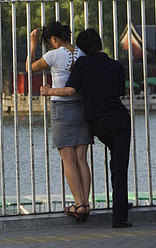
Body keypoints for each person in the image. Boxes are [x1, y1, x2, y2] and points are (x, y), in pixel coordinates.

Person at [40, 28, 132, 229]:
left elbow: (71, 89)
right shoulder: (117, 65)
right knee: (119, 165)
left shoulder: (82, 63)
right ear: (100, 44)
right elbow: (119, 92)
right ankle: (120, 215)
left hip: (97, 122)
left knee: (80, 159)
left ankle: (85, 203)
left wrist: (49, 91)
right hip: (120, 119)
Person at [26, 21, 93, 221]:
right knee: (81, 158)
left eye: (51, 41)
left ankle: (78, 204)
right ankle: (86, 203)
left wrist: (33, 43)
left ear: (53, 39)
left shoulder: (54, 55)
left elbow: (30, 67)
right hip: (81, 106)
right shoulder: (81, 53)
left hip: (61, 108)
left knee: (68, 158)